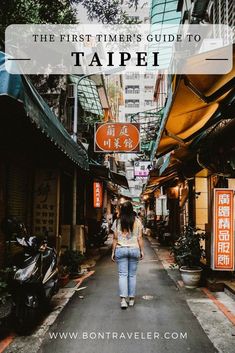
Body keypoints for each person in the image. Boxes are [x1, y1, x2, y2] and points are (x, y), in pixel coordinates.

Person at [111, 201, 144, 309]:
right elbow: (140, 238)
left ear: (121, 210)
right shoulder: (137, 221)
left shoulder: (117, 222)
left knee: (122, 275)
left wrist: (113, 252)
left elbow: (115, 238)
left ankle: (123, 301)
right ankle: (131, 299)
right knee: (132, 275)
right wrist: (142, 251)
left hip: (121, 249)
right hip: (134, 249)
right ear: (131, 210)